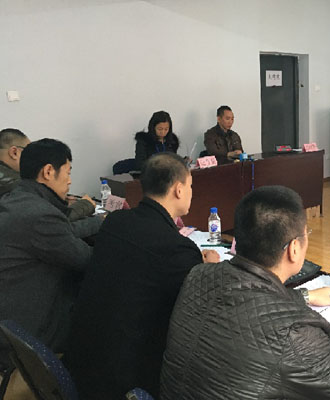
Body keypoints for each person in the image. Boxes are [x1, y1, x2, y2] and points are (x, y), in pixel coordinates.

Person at [161, 186, 330, 400]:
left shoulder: (199, 274)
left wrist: (304, 296)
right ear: (294, 248)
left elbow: (246, 307)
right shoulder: (293, 333)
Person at [65, 153, 220, 400]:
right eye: (190, 186)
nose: (191, 192)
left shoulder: (115, 221)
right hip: (125, 381)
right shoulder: (177, 248)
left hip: (81, 358)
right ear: (179, 189)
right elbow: (198, 313)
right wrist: (209, 269)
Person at [0, 139, 103, 369]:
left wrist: (100, 222)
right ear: (48, 172)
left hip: (9, 320)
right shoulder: (40, 215)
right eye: (68, 172)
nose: (70, 180)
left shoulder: (16, 199)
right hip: (26, 335)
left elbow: (63, 231)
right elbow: (87, 259)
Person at [0, 128, 96, 220]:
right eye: (27, 151)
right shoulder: (13, 184)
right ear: (14, 152)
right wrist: (85, 205)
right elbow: (51, 220)